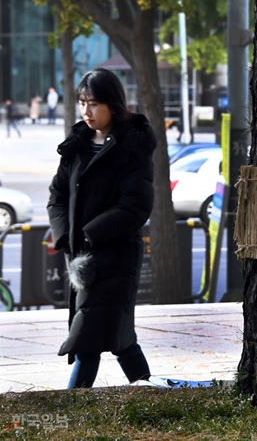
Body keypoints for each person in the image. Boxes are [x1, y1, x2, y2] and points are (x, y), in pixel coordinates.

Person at [47, 68, 156, 389]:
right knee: (120, 339)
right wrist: (66, 235)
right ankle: (151, 391)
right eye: (82, 103)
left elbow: (136, 205)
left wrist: (90, 233)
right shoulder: (77, 144)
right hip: (82, 257)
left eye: (93, 103)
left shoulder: (132, 146)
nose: (86, 111)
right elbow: (57, 194)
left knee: (88, 341)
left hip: (116, 257)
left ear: (112, 104)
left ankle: (70, 417)